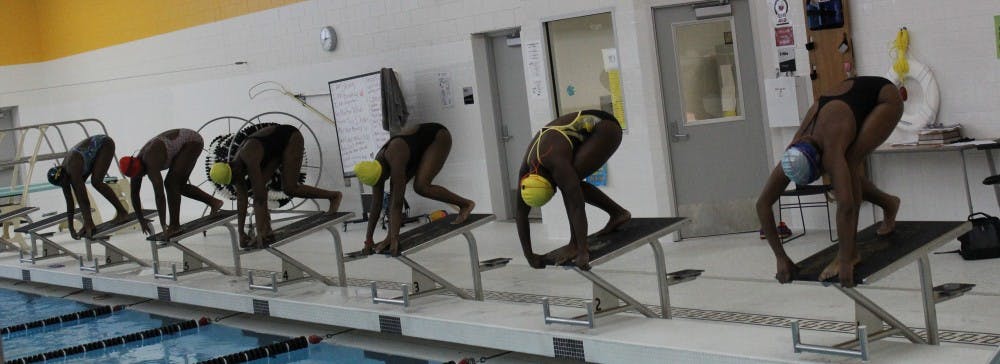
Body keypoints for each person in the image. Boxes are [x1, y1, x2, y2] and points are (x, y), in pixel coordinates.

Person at [756, 76, 903, 287]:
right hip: (848, 100)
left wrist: (844, 258)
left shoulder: (831, 151)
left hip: (884, 99)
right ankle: (889, 203)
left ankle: (853, 253)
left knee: (850, 161)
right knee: (845, 173)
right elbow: (762, 204)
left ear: (819, 162)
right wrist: (780, 256)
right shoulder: (792, 154)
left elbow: (847, 206)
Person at [514, 110, 631, 270]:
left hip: (605, 128)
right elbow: (520, 213)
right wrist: (529, 256)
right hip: (569, 137)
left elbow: (576, 204)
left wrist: (582, 250)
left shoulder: (554, 161)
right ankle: (618, 214)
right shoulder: (525, 173)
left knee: (571, 185)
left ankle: (577, 242)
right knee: (571, 183)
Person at [209, 124, 342, 249]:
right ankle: (267, 230)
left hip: (289, 138)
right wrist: (241, 232)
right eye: (234, 181)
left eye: (236, 179)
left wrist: (259, 233)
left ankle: (334, 196)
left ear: (234, 168)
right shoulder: (233, 171)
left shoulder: (248, 157)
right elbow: (241, 200)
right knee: (260, 188)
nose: (238, 181)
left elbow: (259, 198)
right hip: (272, 152)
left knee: (289, 188)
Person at [354, 123, 475, 256]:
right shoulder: (375, 167)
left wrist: (395, 238)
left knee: (421, 186)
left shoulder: (395, 156)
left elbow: (398, 202)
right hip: (414, 149)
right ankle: (390, 235)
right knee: (396, 193)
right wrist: (368, 240)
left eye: (382, 180)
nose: (382, 183)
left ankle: (465, 204)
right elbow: (375, 205)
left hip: (437, 137)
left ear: (382, 172)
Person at [120, 129, 223, 237]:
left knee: (171, 184)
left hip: (191, 141)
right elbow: (134, 194)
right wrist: (141, 220)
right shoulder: (133, 167)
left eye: (141, 173)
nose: (142, 176)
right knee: (179, 186)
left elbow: (159, 195)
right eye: (138, 176)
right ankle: (214, 202)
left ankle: (174, 225)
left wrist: (163, 225)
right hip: (181, 144)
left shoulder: (150, 161)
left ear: (140, 166)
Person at [47, 134, 130, 239]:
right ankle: (90, 223)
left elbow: (84, 199)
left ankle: (122, 212)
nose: (66, 185)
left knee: (96, 182)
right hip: (89, 156)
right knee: (81, 189)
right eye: (63, 185)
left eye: (66, 182)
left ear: (65, 175)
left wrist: (89, 222)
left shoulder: (73, 168)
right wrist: (71, 228)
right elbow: (70, 202)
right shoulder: (62, 176)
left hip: (105, 144)